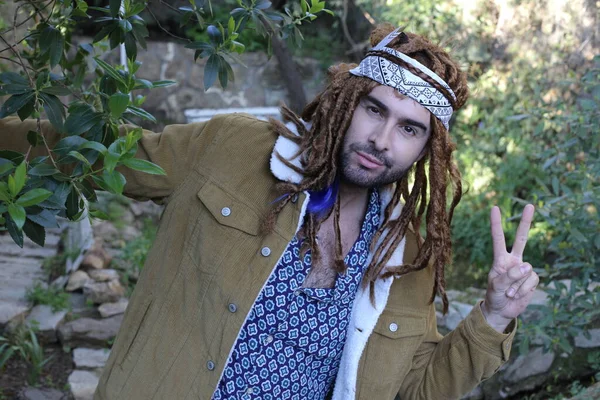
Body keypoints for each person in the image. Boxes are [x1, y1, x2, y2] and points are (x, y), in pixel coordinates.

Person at [0, 24, 539, 400]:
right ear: (345, 102)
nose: (381, 138)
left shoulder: (405, 259)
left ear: (425, 150)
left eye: (408, 128)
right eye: (374, 109)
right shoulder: (234, 149)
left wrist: (492, 315)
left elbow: (415, 388)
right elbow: (105, 156)